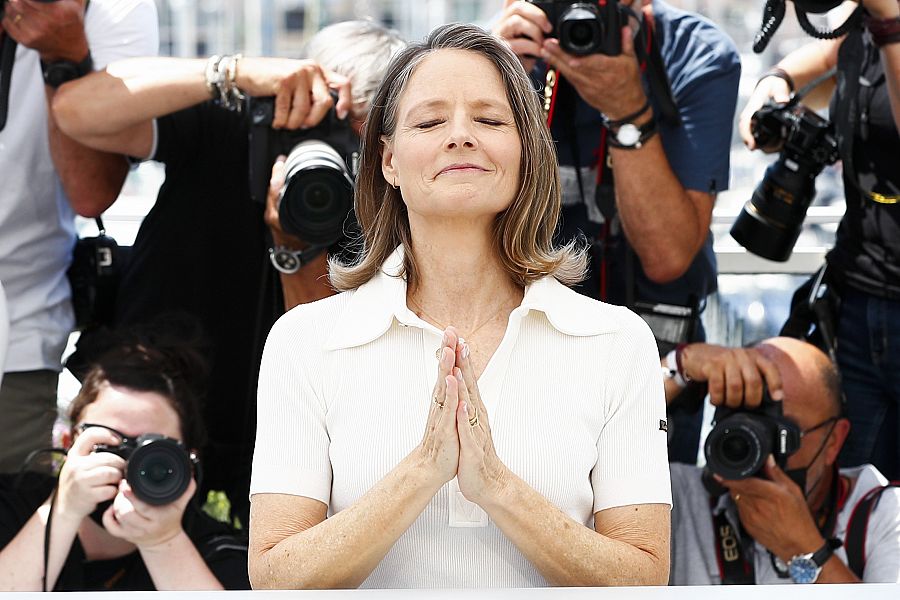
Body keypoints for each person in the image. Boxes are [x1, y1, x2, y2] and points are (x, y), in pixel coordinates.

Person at [248, 23, 671, 589]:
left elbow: (644, 579)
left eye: (490, 121)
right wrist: (423, 471)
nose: (460, 136)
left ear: (525, 152)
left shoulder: (616, 342)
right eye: (429, 122)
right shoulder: (304, 342)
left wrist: (496, 486)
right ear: (388, 161)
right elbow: (275, 577)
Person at [52, 20, 406, 524]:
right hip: (152, 392)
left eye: (359, 143)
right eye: (325, 125)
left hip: (279, 422)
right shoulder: (240, 118)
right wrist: (232, 74)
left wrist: (297, 249)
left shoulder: (388, 188)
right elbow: (74, 111)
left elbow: (332, 360)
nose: (341, 156)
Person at [492, 0, 741, 464]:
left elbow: (668, 257)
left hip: (658, 367)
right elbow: (462, 229)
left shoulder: (693, 54)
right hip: (523, 360)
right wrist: (494, 83)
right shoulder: (504, 54)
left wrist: (628, 114)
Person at [739, 0, 900, 480]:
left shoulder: (885, 24)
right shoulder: (866, 28)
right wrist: (777, 83)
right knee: (843, 497)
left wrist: (889, 20)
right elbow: (833, 52)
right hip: (856, 308)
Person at [0, 0, 158, 474]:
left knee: (18, 504)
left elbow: (92, 192)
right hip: (28, 316)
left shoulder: (110, 9)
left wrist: (65, 55)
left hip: (22, 327)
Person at [0, 334, 250, 591]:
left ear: (188, 461)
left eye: (151, 452)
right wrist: (63, 510)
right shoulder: (14, 507)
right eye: (109, 444)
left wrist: (163, 542)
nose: (130, 465)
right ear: (69, 441)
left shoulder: (214, 548)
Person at [666, 337, 900, 585]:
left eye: (779, 433)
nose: (753, 445)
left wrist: (802, 547)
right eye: (742, 422)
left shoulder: (885, 516)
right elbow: (629, 441)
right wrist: (677, 367)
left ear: (833, 441)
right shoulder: (681, 496)